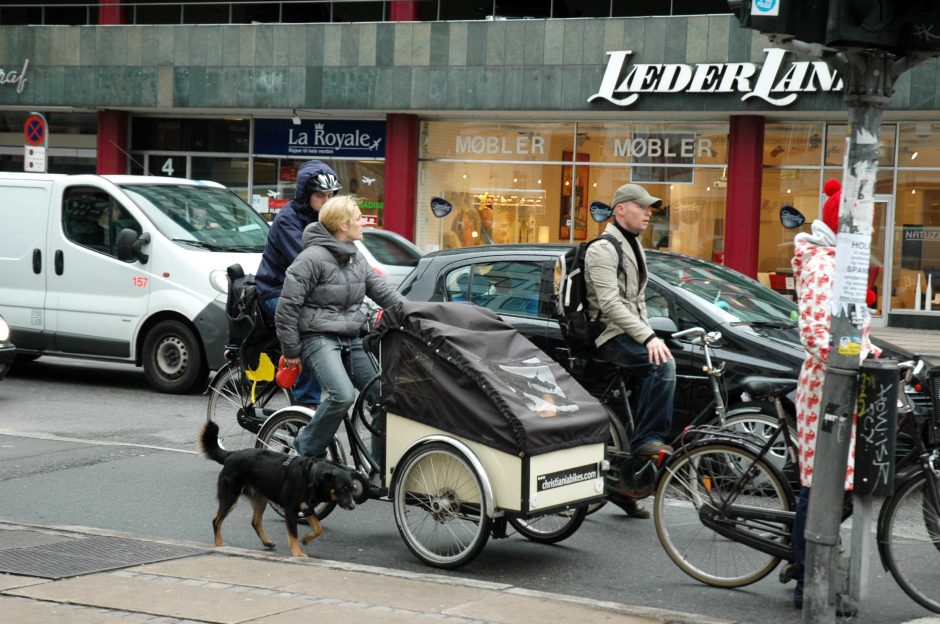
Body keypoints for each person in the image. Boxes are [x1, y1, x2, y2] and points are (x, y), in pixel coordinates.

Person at [789, 178, 879, 615]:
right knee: (819, 483)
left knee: (833, 482)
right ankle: (808, 581)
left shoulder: (841, 263)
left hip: (838, 387)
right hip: (827, 388)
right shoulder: (825, 266)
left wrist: (871, 351)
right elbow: (816, 334)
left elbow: (848, 329)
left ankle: (811, 566)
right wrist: (854, 360)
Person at [274, 195, 403, 473]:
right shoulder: (311, 258)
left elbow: (383, 292)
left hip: (350, 337)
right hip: (317, 338)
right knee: (342, 395)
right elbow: (286, 309)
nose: (363, 223)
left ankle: (377, 469)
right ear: (343, 225)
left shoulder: (356, 256)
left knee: (384, 397)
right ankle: (304, 449)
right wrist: (291, 351)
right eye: (358, 219)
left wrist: (414, 312)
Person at [584, 183, 676, 519]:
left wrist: (651, 333)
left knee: (638, 401)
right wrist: (649, 339)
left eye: (650, 208)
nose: (649, 212)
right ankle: (646, 441)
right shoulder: (602, 250)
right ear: (621, 209)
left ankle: (625, 483)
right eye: (643, 207)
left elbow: (637, 300)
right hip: (609, 335)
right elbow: (609, 303)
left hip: (629, 330)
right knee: (663, 367)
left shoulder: (633, 245)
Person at [256, 160, 341, 409]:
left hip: (309, 292)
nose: (326, 201)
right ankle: (306, 403)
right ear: (306, 195)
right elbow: (308, 262)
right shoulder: (287, 220)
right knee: (309, 326)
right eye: (320, 196)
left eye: (331, 195)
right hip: (277, 290)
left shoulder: (327, 221)